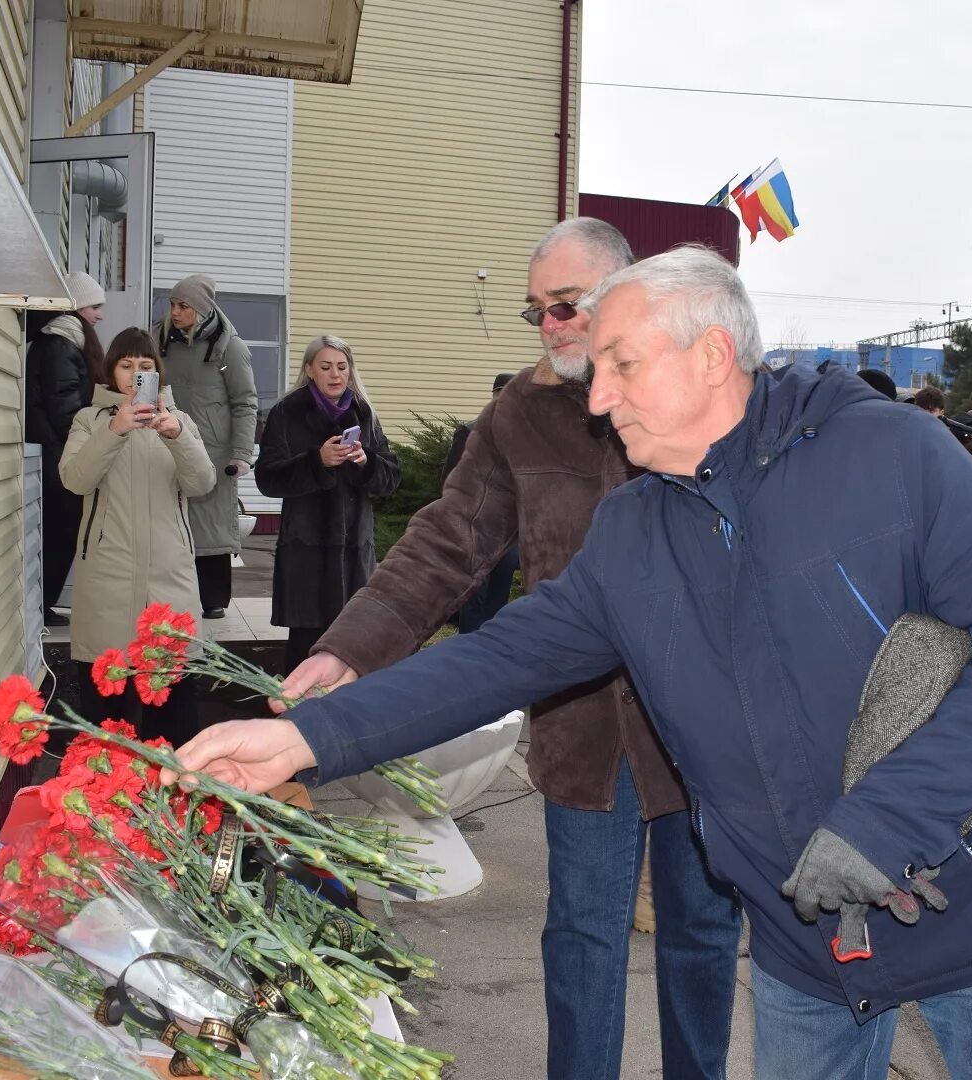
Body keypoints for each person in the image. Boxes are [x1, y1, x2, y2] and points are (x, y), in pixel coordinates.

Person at [170, 246, 972, 1079]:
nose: (598, 396)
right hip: (801, 942)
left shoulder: (889, 451)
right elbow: (498, 659)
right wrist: (302, 740)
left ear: (711, 355)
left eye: (621, 365)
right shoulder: (633, 531)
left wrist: (886, 823)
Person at [268, 220, 742, 1080]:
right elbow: (445, 542)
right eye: (537, 312)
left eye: (567, 306)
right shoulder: (518, 415)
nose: (550, 326)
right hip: (583, 726)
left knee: (704, 934)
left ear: (624, 294)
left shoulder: (688, 390)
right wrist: (349, 650)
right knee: (584, 939)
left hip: (702, 727)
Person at [58, 328, 215, 746]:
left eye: (145, 367)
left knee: (174, 709)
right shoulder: (90, 420)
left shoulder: (179, 422)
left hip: (169, 577)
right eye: (126, 366)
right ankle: (104, 796)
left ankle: (177, 796)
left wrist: (177, 436)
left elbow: (202, 483)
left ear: (157, 375)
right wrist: (116, 428)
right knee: (105, 713)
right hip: (108, 578)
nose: (135, 374)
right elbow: (75, 479)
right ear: (111, 371)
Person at [255, 336, 401, 675]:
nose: (335, 375)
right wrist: (316, 462)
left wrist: (367, 462)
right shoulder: (286, 413)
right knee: (304, 661)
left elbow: (391, 477)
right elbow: (267, 479)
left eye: (342, 367)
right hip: (307, 558)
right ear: (309, 370)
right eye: (325, 367)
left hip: (354, 558)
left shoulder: (364, 413)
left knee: (353, 654)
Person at [157, 274, 258, 619]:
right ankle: (171, 598)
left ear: (201, 309)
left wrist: (242, 454)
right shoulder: (158, 339)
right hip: (166, 441)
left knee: (210, 525)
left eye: (183, 305)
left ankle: (214, 599)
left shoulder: (230, 347)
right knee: (170, 522)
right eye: (172, 304)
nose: (175, 311)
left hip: (214, 450)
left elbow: (245, 402)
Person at [25, 272, 106, 627]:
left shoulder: (58, 341)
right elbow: (65, 407)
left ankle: (43, 605)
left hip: (53, 454)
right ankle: (42, 606)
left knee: (58, 534)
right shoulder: (61, 344)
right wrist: (90, 445)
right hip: (59, 458)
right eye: (94, 306)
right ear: (75, 307)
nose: (98, 315)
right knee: (61, 533)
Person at [443, 373, 521, 633]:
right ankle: (468, 651)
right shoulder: (469, 432)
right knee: (474, 597)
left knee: (497, 598)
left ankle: (490, 652)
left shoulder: (524, 439)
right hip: (475, 530)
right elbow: (448, 484)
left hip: (509, 535)